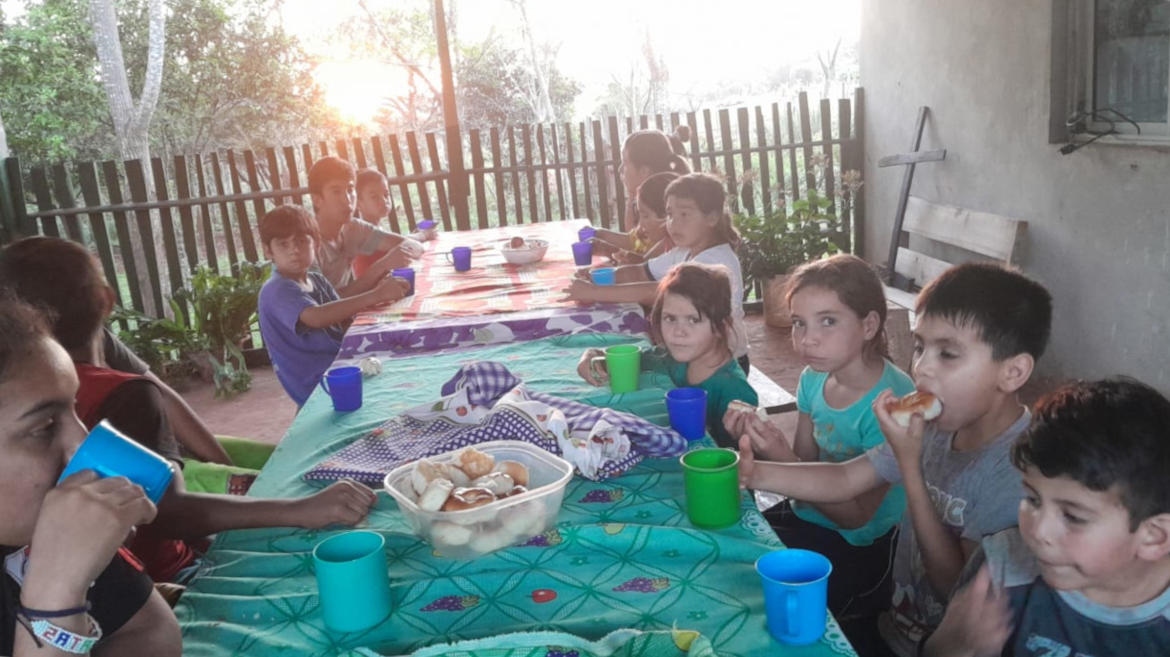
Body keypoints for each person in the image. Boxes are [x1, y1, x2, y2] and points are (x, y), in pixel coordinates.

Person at [0, 236, 381, 585]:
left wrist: (222, 462)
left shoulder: (35, 381)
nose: (81, 440)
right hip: (164, 575)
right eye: (47, 426)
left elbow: (166, 403)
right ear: (107, 300)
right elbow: (168, 512)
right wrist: (299, 510)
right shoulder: (124, 393)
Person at [737, 262, 1053, 657]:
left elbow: (954, 586)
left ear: (1013, 372)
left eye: (948, 354)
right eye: (921, 347)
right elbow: (845, 479)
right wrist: (754, 471)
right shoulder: (931, 425)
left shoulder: (1019, 473)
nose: (921, 368)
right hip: (894, 623)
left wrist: (910, 466)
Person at [724, 254, 915, 622]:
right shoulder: (813, 379)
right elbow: (804, 462)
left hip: (861, 546)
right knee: (736, 555)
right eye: (799, 323)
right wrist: (772, 445)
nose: (807, 339)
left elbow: (856, 518)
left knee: (780, 611)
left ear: (870, 324)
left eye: (827, 321)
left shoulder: (893, 402)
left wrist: (778, 463)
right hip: (808, 514)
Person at [924, 377, 1170, 657]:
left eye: (1074, 516)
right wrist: (947, 649)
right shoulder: (1001, 571)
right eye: (1032, 499)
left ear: (1154, 537)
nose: (1039, 531)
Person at [0, 294, 182, 656]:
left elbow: (153, 634)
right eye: (45, 426)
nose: (82, 442)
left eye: (76, 409)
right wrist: (54, 594)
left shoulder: (44, 530)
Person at [566, 172, 750, 371]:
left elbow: (658, 292)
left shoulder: (715, 260)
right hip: (694, 352)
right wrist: (593, 278)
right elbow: (639, 272)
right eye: (670, 215)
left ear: (712, 218)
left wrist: (594, 293)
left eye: (684, 214)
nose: (674, 223)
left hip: (723, 364)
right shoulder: (684, 252)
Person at [577, 263, 756, 447]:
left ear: (721, 327)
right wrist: (591, 356)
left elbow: (745, 462)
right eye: (670, 318)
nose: (678, 332)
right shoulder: (669, 358)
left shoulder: (735, 392)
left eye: (693, 320)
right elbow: (625, 361)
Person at [256, 204, 408, 407]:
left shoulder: (317, 280)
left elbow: (342, 317)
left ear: (316, 245)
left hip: (339, 365)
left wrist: (382, 310)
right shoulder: (277, 289)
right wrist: (376, 295)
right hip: (318, 382)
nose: (294, 250)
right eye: (283, 244)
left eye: (302, 242)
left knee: (399, 354)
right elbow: (316, 317)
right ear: (268, 251)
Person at [308, 156, 422, 296]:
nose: (347, 200)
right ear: (317, 200)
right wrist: (381, 267)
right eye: (336, 192)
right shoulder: (308, 244)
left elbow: (412, 245)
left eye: (350, 189)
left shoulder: (354, 230)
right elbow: (325, 304)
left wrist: (402, 252)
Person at [590, 127, 691, 255]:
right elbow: (634, 240)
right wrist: (599, 234)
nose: (620, 169)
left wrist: (610, 248)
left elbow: (645, 259)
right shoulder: (646, 199)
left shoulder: (664, 206)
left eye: (625, 163)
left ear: (644, 171)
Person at [593, 172, 676, 265]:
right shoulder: (665, 241)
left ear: (667, 215)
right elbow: (644, 264)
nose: (641, 223)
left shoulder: (674, 245)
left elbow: (644, 268)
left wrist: (610, 250)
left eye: (645, 216)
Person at [352, 167, 420, 279]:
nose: (384, 201)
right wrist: (420, 237)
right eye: (374, 197)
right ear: (358, 203)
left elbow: (395, 241)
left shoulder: (376, 228)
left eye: (386, 194)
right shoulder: (366, 235)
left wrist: (419, 236)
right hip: (374, 290)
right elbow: (412, 248)